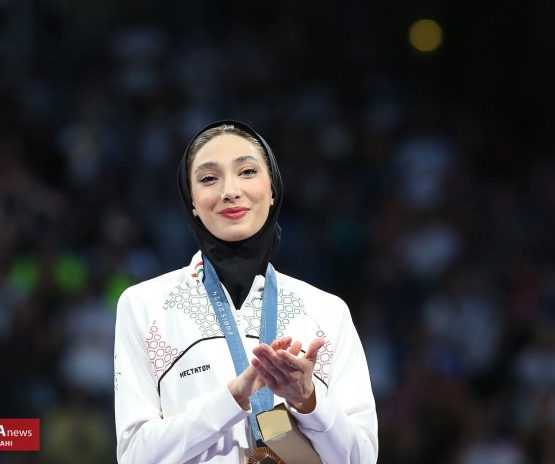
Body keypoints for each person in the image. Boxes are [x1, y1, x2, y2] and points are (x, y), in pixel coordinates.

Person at [114, 120, 378, 463]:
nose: (230, 190)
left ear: (273, 190)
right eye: (209, 178)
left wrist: (308, 402)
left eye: (247, 172)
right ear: (191, 200)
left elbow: (361, 458)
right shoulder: (144, 305)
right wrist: (232, 399)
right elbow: (134, 457)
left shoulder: (326, 311)